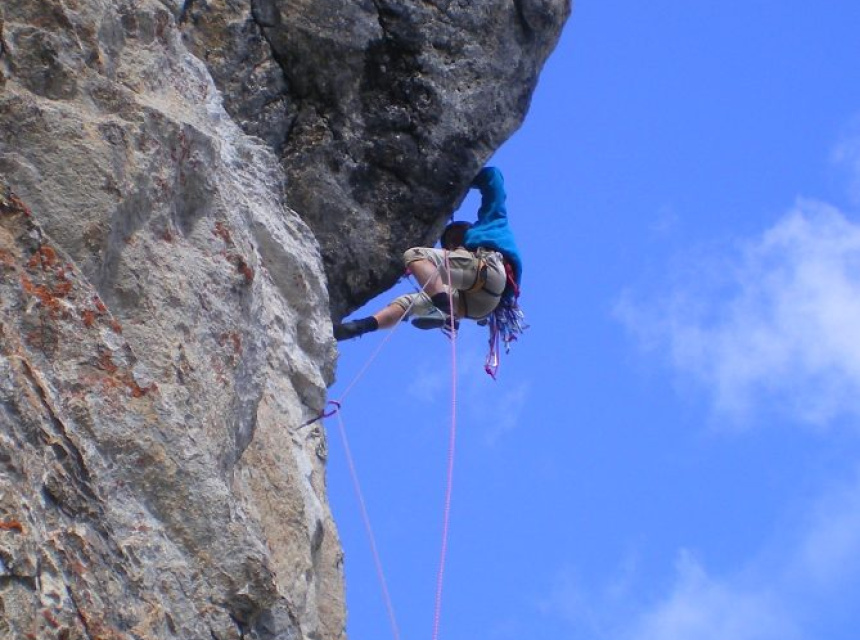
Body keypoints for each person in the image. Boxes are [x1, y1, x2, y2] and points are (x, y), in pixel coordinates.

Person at [333, 166, 523, 341]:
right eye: (449, 244)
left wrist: (463, 180)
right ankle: (360, 327)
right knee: (409, 301)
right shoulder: (454, 269)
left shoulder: (490, 225)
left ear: (469, 231)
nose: (453, 245)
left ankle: (442, 309)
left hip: (488, 270)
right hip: (478, 306)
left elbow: (494, 178)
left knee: (414, 255)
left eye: (457, 238)